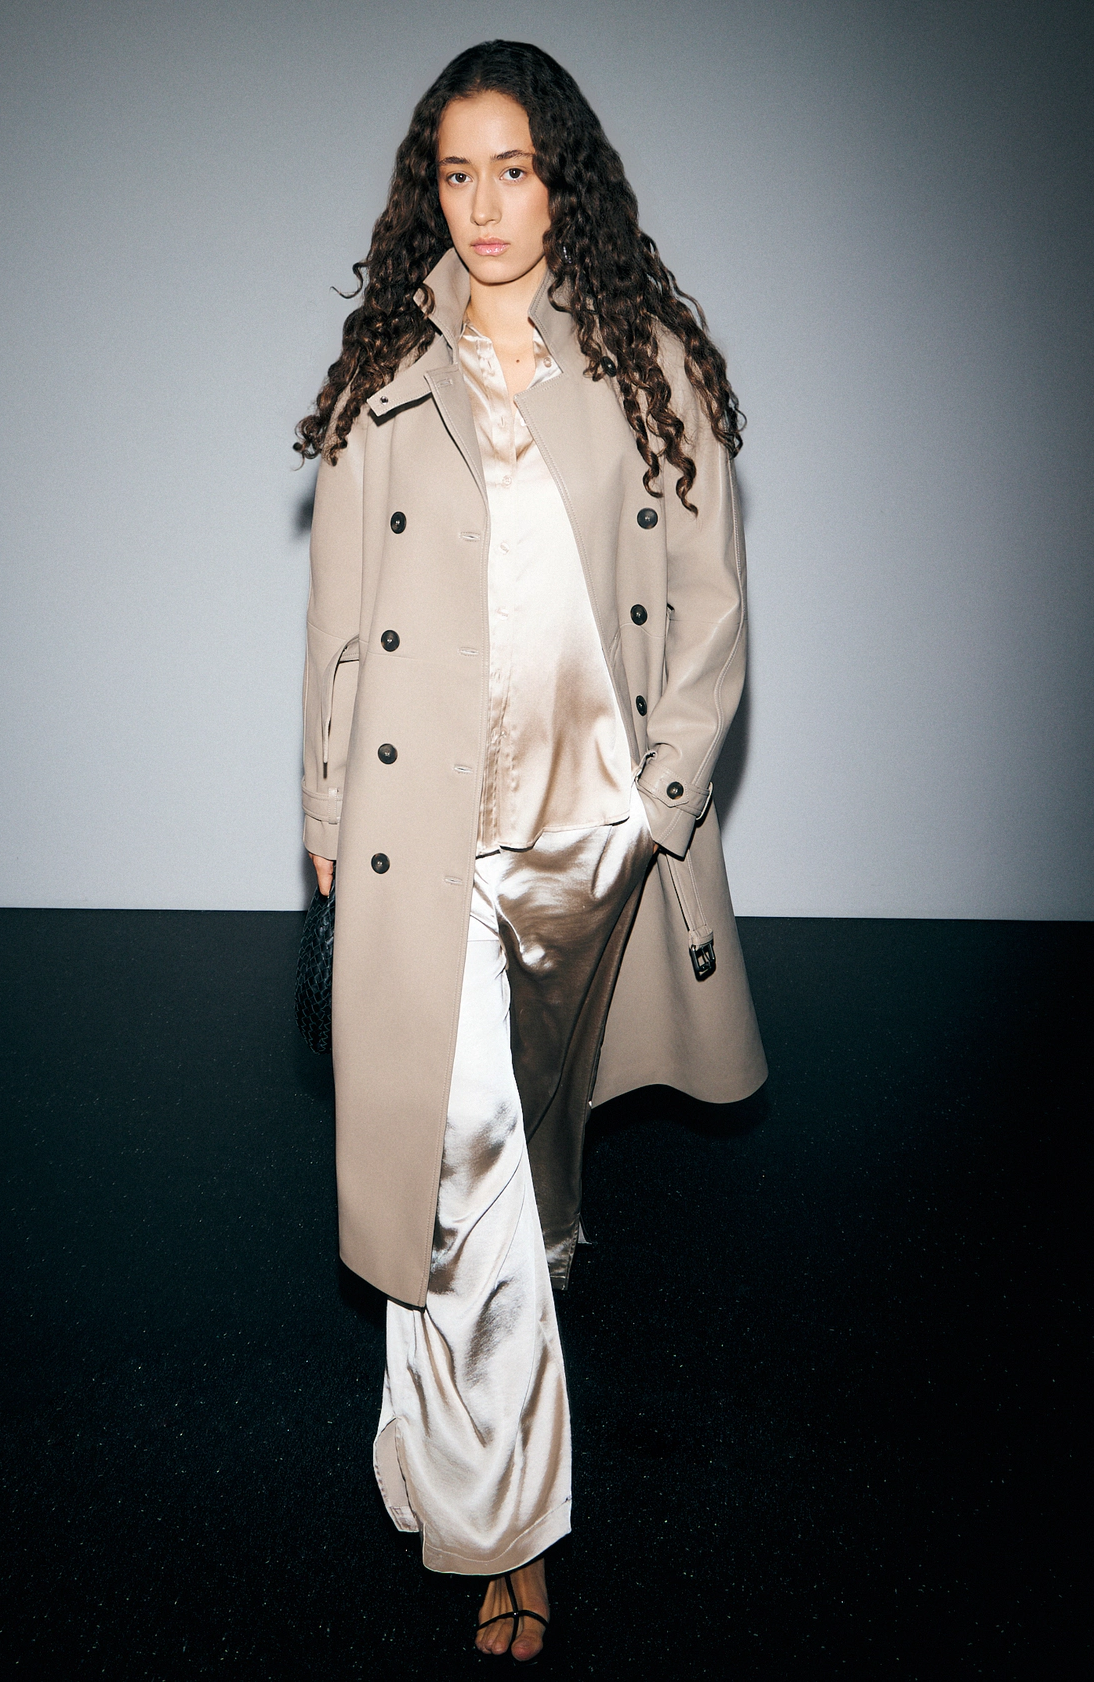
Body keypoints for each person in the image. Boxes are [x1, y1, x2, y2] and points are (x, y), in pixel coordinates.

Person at [296, 39, 766, 1661]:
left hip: (590, 839)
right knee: (459, 1157)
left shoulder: (647, 362)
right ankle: (504, 1522)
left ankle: (442, 1420)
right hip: (425, 838)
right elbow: (339, 625)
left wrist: (659, 801)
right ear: (426, 190)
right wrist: (327, 818)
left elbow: (710, 605)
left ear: (562, 177)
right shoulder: (386, 375)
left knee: (528, 1160)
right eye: (455, 173)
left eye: (512, 168)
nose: (483, 205)